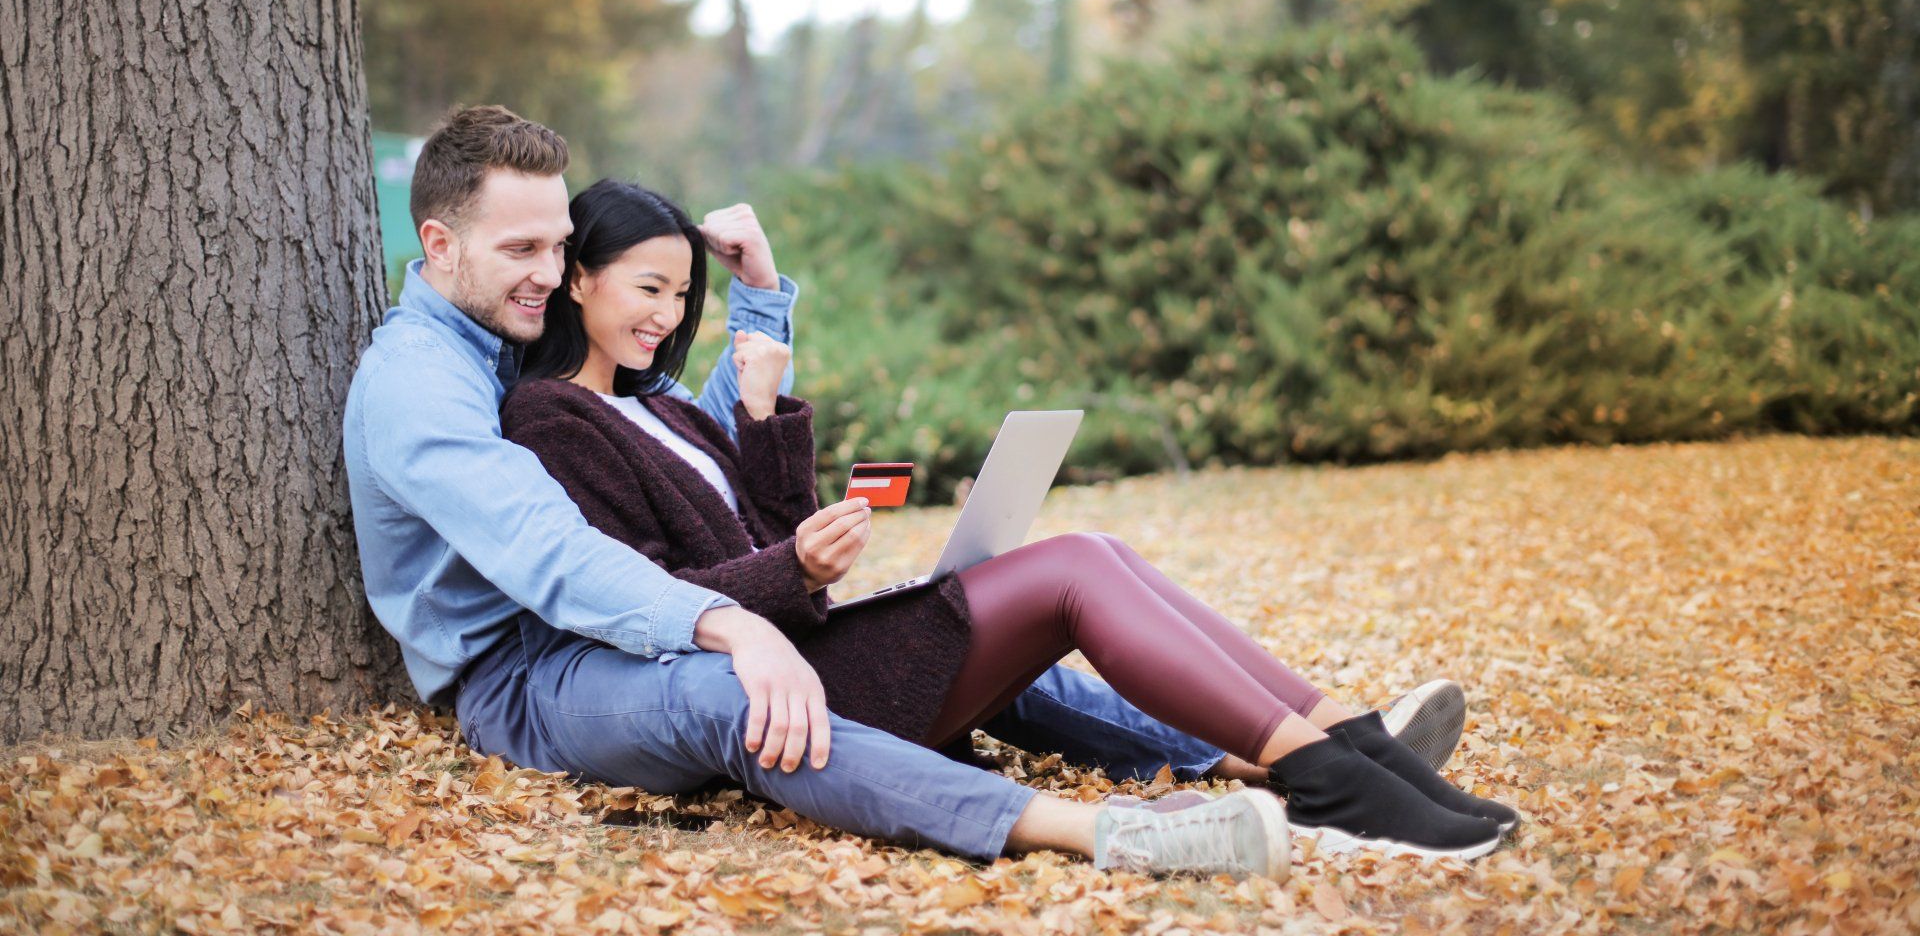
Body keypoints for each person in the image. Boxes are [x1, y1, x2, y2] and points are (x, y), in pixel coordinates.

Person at [346, 105, 1294, 879]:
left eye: (558, 248)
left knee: (931, 629)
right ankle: (1109, 835)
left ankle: (1257, 753)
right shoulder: (423, 383)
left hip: (605, 622)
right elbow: (550, 550)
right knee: (732, 697)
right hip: (525, 672)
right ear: (437, 243)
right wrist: (734, 622)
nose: (549, 277)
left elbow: (676, 438)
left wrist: (757, 299)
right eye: (524, 252)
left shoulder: (508, 334)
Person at [496, 176, 1519, 860]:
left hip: (811, 652)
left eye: (681, 292)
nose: (668, 314)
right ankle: (1331, 777)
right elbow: (638, 599)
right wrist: (793, 569)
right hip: (803, 694)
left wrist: (768, 433)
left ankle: (1346, 744)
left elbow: (777, 535)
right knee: (1074, 564)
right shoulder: (552, 417)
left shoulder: (667, 406)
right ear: (578, 276)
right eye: (647, 287)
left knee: (1098, 549)